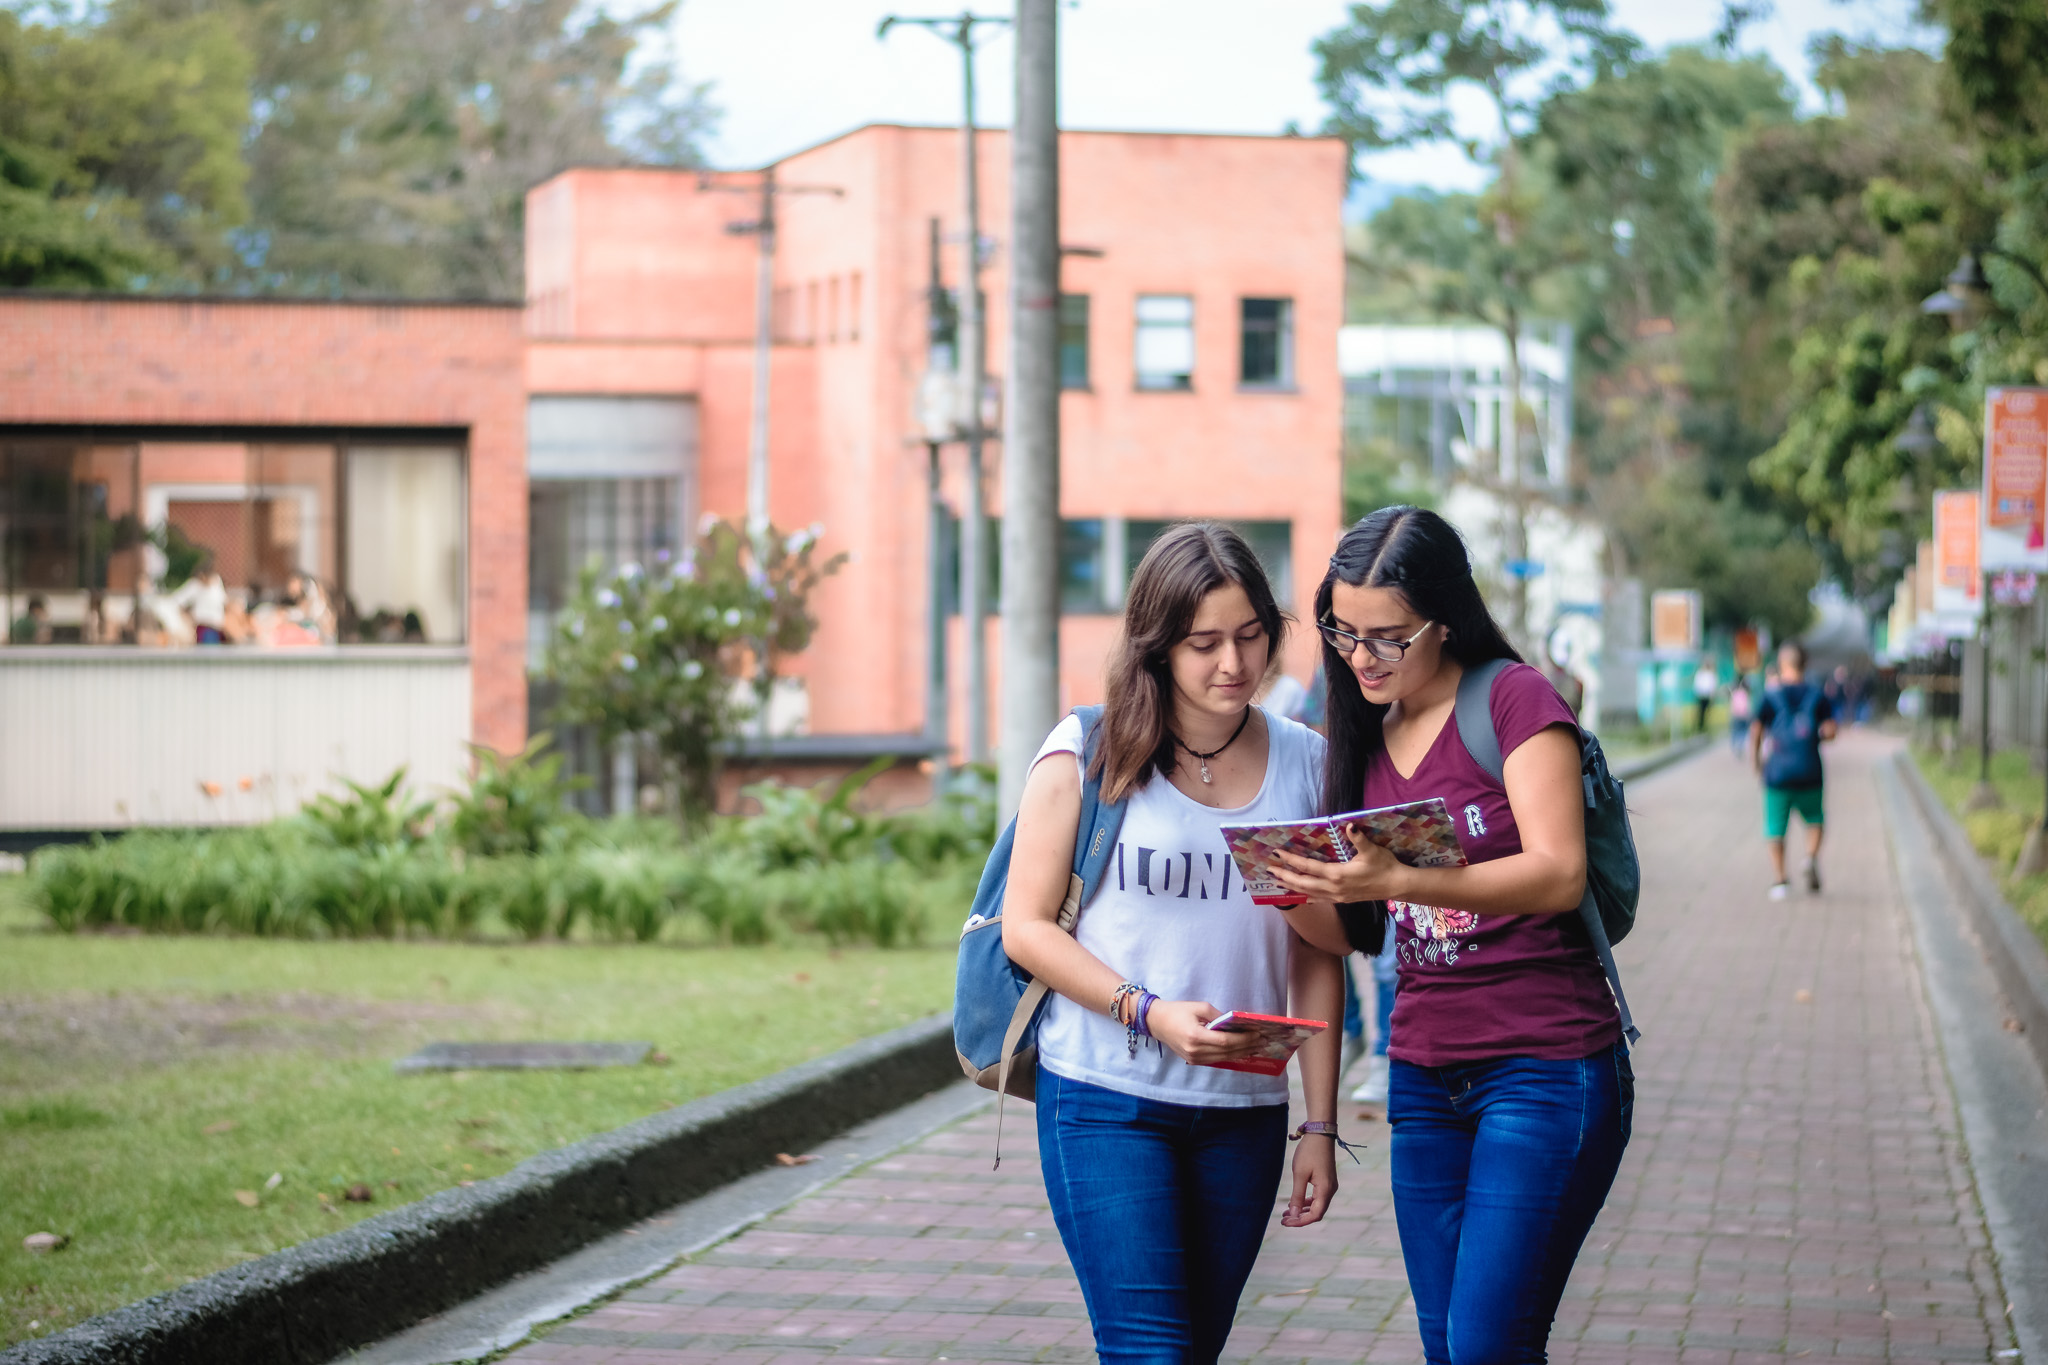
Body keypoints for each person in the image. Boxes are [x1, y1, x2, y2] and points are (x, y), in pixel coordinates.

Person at [1267, 505, 1631, 1365]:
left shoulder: (1511, 697)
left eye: (1388, 637)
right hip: (1426, 1077)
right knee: (1450, 1345)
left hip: (1545, 1068)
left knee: (1485, 1347)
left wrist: (1401, 878)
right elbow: (1357, 932)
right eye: (1345, 632)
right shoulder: (1358, 731)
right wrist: (1290, 888)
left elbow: (1558, 871)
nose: (1362, 657)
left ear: (1444, 620)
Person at [1002, 521, 1346, 1365]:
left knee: (1193, 1350)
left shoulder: (1307, 762)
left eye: (1250, 636)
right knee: (1150, 1350)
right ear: (1157, 646)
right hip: (1104, 1095)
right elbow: (1027, 926)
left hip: (1244, 1114)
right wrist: (1146, 1011)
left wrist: (1320, 1126)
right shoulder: (1087, 750)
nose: (1234, 663)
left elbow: (1325, 949)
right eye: (1204, 643)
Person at [1749, 640, 1836, 899]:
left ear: (1782, 664)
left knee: (1775, 826)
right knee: (1815, 818)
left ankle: (1780, 880)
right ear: (1805, 664)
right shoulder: (1817, 694)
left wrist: (1756, 762)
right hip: (1810, 770)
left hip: (1777, 773)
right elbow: (1831, 731)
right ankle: (1810, 857)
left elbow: (1756, 732)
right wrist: (1814, 735)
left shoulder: (1770, 695)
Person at [170, 554, 230, 644]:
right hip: (203, 627)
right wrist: (187, 617)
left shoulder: (216, 583)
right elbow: (177, 601)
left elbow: (224, 601)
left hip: (218, 627)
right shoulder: (194, 586)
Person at [1728, 675, 1753, 758]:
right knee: (1743, 731)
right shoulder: (1745, 694)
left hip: (1736, 715)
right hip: (1743, 715)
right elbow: (1747, 705)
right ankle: (1740, 746)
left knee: (1735, 731)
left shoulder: (1734, 693)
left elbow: (1732, 705)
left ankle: (1734, 745)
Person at [1692, 659, 1717, 735]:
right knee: (1700, 712)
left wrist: (1712, 695)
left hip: (1707, 695)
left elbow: (1712, 686)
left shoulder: (1711, 674)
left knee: (1706, 712)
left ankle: (1703, 727)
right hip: (1701, 695)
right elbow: (1697, 684)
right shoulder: (1700, 673)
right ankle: (1698, 727)